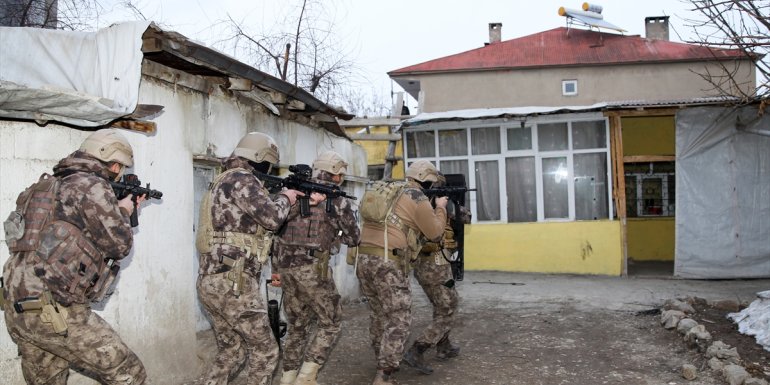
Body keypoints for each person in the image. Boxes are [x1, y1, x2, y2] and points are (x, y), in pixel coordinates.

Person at [1, 129, 149, 384]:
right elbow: (119, 246)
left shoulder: (44, 185)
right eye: (120, 167)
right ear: (114, 164)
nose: (119, 172)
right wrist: (124, 210)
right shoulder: (91, 186)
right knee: (128, 372)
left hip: (17, 306)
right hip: (54, 311)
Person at [195, 132, 303, 385]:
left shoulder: (225, 179)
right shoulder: (243, 180)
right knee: (266, 350)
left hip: (213, 281)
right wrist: (286, 196)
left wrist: (295, 201)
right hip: (234, 283)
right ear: (261, 158)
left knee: (233, 351)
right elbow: (272, 218)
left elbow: (261, 218)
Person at [355, 160, 448, 385]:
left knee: (379, 314)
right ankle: (384, 375)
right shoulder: (417, 198)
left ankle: (382, 361)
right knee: (399, 318)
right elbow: (435, 233)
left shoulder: (390, 190)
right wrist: (441, 207)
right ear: (427, 180)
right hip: (388, 262)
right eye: (432, 182)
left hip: (364, 258)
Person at [273, 151, 361, 385]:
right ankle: (306, 377)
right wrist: (337, 232)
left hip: (285, 269)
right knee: (331, 322)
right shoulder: (336, 199)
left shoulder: (293, 192)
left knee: (297, 326)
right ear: (336, 174)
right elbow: (354, 238)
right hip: (313, 270)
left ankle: (287, 378)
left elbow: (274, 227)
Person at [402, 172, 471, 375]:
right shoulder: (428, 206)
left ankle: (444, 345)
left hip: (433, 268)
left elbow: (464, 219)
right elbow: (458, 221)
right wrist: (443, 205)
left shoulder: (424, 205)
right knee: (449, 306)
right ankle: (418, 349)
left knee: (443, 304)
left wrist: (450, 204)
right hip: (435, 268)